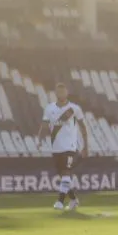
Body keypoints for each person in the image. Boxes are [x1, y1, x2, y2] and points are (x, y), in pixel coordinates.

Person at [37, 83, 89, 211]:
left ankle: (60, 202)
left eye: (63, 91)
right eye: (59, 91)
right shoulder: (49, 108)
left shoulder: (74, 108)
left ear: (67, 93)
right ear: (55, 93)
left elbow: (83, 127)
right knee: (63, 176)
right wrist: (39, 139)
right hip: (56, 148)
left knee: (66, 172)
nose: (61, 94)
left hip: (70, 147)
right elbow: (44, 125)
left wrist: (85, 146)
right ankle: (73, 200)